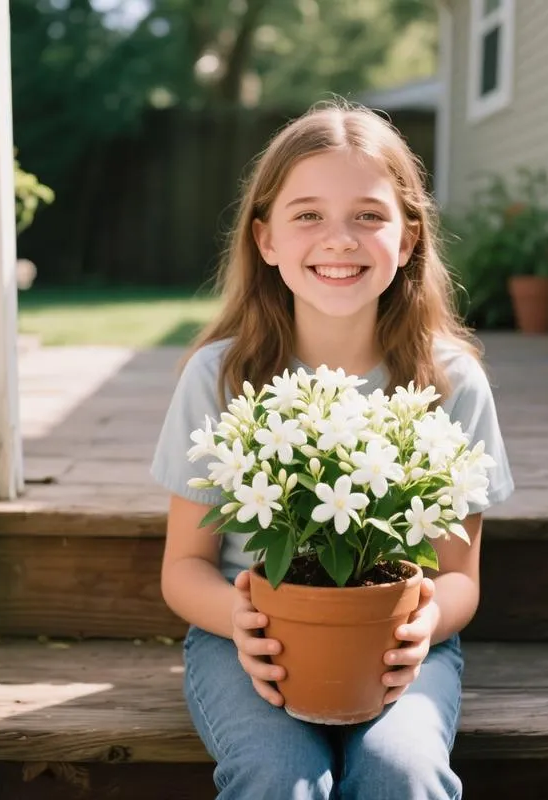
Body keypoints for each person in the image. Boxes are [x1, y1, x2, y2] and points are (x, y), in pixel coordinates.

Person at [151, 101, 514, 799]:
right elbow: (185, 567)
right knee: (278, 774)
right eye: (308, 215)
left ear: (409, 238)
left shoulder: (448, 382)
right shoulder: (223, 377)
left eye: (369, 216)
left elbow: (460, 575)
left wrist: (425, 625)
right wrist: (240, 621)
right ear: (265, 239)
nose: (339, 240)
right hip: (245, 638)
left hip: (401, 642)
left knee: (402, 771)